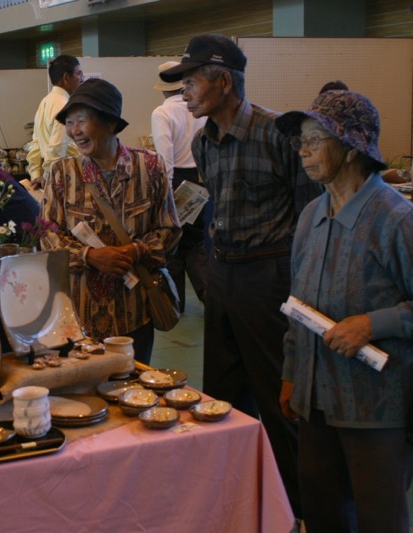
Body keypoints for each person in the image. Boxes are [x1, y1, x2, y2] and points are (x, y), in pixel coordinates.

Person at [159, 34, 322, 517]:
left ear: (224, 82)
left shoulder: (279, 135)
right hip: (223, 275)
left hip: (270, 277)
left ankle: (296, 510)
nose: (184, 93)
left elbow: (310, 219)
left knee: (278, 400)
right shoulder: (203, 143)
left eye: (191, 82)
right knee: (222, 397)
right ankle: (238, 503)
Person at [277, 90, 413, 532]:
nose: (303, 151)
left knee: (379, 518)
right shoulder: (310, 216)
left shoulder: (395, 218)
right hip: (315, 402)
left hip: (376, 407)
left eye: (315, 140)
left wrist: (373, 324)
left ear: (353, 147)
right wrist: (291, 376)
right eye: (301, 140)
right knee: (323, 513)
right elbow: (298, 308)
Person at [41, 78, 181, 364]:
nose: (74, 131)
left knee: (132, 379)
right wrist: (89, 256)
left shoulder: (149, 167)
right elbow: (47, 236)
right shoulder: (61, 173)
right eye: (69, 122)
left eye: (82, 121)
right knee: (83, 384)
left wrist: (136, 250)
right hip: (78, 315)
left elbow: (171, 230)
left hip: (135, 311)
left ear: (110, 123)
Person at [151, 60, 208, 310]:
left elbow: (165, 157)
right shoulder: (199, 108)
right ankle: (209, 297)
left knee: (172, 243)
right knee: (196, 243)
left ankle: (176, 302)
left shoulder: (162, 113)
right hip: (201, 180)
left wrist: (166, 192)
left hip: (175, 180)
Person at [25, 55, 84, 187]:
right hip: (64, 180)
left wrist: (36, 175)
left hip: (54, 178)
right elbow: (57, 148)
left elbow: (35, 143)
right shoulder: (64, 106)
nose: (82, 78)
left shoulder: (45, 102)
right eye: (79, 74)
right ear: (66, 77)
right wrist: (48, 179)